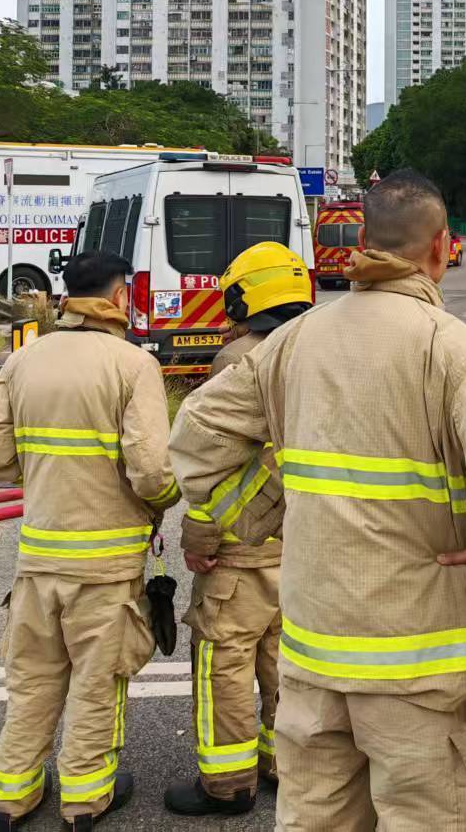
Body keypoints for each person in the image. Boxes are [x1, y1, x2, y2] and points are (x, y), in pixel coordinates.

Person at [168, 168, 466, 830]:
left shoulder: (294, 341)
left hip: (315, 660)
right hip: (420, 672)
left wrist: (259, 509)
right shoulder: (451, 349)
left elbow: (195, 436)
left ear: (361, 239)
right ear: (441, 246)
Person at [0, 250, 181, 831]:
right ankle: (84, 800)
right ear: (120, 298)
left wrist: (37, 475)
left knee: (34, 683)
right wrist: (163, 502)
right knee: (94, 686)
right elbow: (151, 472)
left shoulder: (24, 361)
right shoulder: (132, 364)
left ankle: (11, 798)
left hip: (39, 558)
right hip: (107, 564)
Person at [163, 242, 314, 817]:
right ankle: (284, 764)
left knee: (226, 659)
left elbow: (211, 464)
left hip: (242, 548)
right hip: (300, 545)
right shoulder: (320, 351)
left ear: (244, 295)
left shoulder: (239, 359)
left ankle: (226, 785)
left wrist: (198, 538)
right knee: (285, 661)